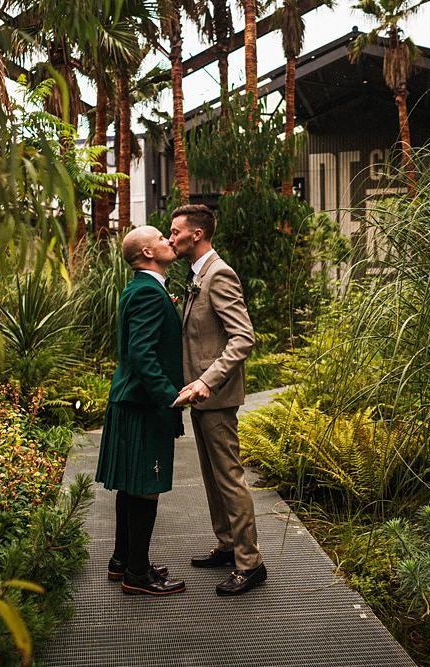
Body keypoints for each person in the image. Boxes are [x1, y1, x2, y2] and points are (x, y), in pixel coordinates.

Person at [169, 204, 267, 596]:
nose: (170, 237)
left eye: (176, 231)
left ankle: (251, 562)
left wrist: (207, 381)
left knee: (229, 478)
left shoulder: (219, 273)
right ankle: (228, 545)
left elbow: (243, 337)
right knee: (213, 476)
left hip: (216, 393)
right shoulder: (197, 275)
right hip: (200, 394)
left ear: (197, 234)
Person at [95, 225, 188, 596]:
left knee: (132, 486)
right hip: (143, 404)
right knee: (146, 488)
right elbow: (143, 353)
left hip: (130, 400)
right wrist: (171, 396)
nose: (169, 241)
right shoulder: (149, 292)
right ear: (148, 253)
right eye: (162, 239)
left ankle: (123, 561)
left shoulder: (140, 288)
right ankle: (137, 574)